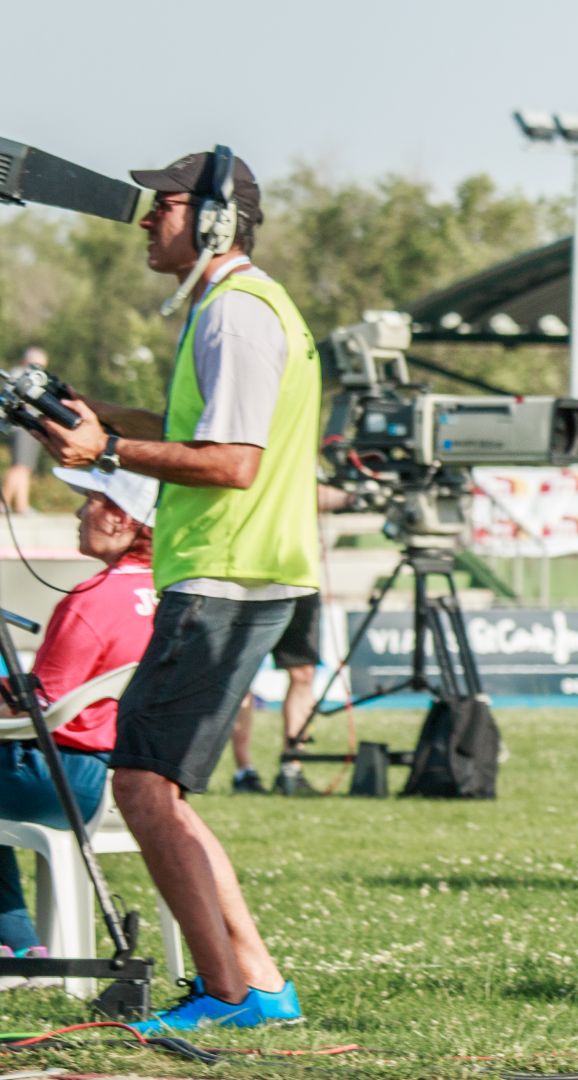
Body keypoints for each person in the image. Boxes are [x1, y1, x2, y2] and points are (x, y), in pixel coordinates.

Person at [35, 149, 317, 1034]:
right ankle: (256, 983)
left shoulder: (233, 315)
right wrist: (102, 416)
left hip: (225, 573)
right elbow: (206, 432)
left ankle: (229, 994)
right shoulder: (238, 307)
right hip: (237, 573)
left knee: (143, 786)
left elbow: (231, 463)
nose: (146, 220)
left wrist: (104, 456)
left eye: (161, 207)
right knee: (158, 788)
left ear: (215, 221)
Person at [0, 467, 158, 959]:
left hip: (66, 777)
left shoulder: (92, 599)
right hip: (136, 778)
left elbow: (37, 707)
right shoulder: (170, 593)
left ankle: (16, 941)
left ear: (121, 518)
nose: (77, 511)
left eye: (89, 499)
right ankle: (16, 941)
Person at [228, 593, 321, 795]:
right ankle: (244, 772)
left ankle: (292, 768)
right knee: (240, 673)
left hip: (299, 584)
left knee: (304, 673)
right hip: (250, 584)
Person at [2, 347, 49, 515]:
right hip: (21, 425)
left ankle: (21, 505)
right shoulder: (19, 375)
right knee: (19, 466)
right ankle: (3, 502)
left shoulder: (24, 374)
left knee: (25, 467)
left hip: (29, 426)